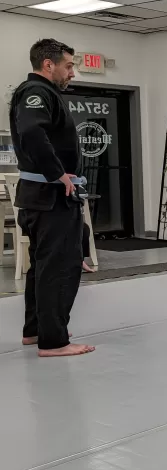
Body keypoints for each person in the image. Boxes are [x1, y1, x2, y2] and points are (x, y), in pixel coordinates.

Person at [10, 39, 95, 357]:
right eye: (69, 65)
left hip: (39, 195)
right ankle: (54, 341)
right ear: (49, 64)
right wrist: (57, 174)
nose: (72, 72)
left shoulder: (37, 93)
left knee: (42, 265)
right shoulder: (38, 92)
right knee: (60, 266)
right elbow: (32, 132)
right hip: (50, 194)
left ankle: (37, 330)